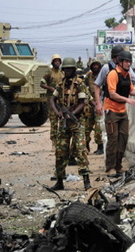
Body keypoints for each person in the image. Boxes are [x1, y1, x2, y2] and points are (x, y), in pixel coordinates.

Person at [49, 57, 91, 191]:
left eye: (70, 69)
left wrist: (71, 113)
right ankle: (60, 180)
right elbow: (52, 99)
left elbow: (82, 102)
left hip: (77, 122)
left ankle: (86, 180)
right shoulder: (61, 84)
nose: (67, 71)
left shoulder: (80, 84)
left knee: (80, 150)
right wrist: (57, 112)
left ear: (73, 70)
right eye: (65, 69)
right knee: (60, 151)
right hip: (64, 122)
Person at [103, 51, 135, 177]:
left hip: (122, 111)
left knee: (123, 139)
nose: (128, 63)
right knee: (113, 139)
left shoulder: (127, 75)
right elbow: (112, 93)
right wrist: (127, 100)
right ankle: (110, 168)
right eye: (126, 61)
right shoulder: (113, 74)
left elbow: (131, 90)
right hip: (112, 111)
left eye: (130, 61)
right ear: (120, 62)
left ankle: (118, 166)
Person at [94, 45, 135, 116]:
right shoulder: (106, 68)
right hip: (108, 103)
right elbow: (97, 85)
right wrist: (98, 103)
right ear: (114, 58)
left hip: (121, 103)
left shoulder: (127, 68)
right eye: (120, 57)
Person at [40, 54, 64, 151]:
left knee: (62, 121)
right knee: (54, 122)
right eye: (55, 61)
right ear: (53, 62)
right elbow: (41, 84)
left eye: (58, 61)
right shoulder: (49, 73)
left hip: (61, 100)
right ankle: (54, 143)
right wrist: (50, 88)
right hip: (51, 100)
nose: (57, 62)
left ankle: (61, 143)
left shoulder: (62, 73)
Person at [84, 58, 104, 154]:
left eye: (97, 65)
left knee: (98, 126)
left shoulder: (102, 76)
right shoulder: (89, 76)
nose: (95, 67)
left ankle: (100, 146)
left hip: (99, 104)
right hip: (89, 104)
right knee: (87, 126)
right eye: (94, 65)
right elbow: (83, 87)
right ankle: (86, 145)